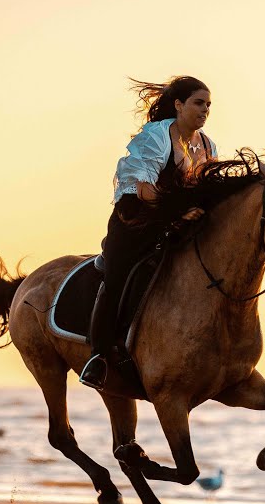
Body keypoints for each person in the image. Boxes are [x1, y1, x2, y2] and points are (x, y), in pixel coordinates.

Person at [79, 76, 217, 390]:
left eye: (209, 104)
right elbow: (143, 190)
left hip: (181, 223)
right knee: (118, 278)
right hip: (137, 222)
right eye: (199, 102)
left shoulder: (208, 145)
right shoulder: (156, 136)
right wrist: (179, 209)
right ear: (179, 105)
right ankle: (98, 356)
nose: (205, 109)